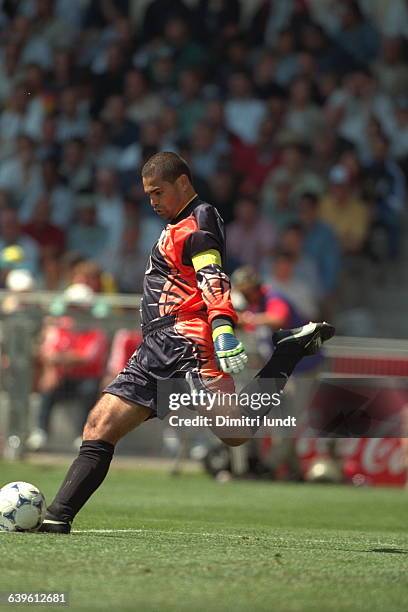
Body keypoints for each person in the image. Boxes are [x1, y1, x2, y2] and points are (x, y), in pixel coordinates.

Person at [39, 152, 334, 534]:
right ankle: (56, 518)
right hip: (155, 346)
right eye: (148, 195)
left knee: (236, 433)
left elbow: (213, 276)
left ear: (183, 182)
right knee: (98, 426)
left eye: (158, 192)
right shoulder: (178, 222)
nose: (153, 202)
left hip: (186, 343)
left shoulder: (201, 218)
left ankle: (286, 353)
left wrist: (223, 327)